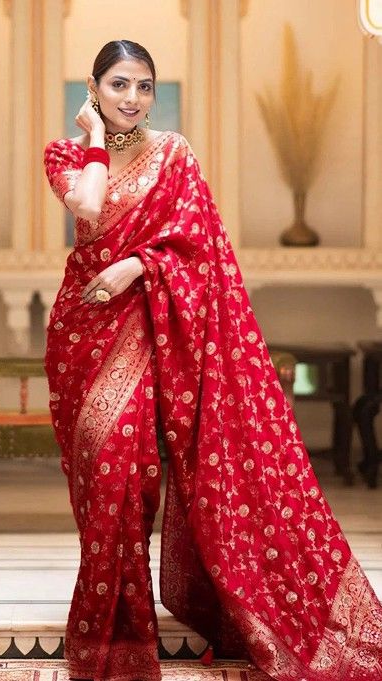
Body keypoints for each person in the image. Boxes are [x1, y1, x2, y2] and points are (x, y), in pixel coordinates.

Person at [43, 39, 382, 681]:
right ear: (94, 88)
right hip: (83, 330)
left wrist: (138, 266)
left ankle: (124, 643)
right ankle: (111, 630)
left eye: (144, 86)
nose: (133, 98)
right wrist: (95, 138)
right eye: (118, 84)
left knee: (126, 477)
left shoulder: (175, 154)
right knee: (98, 480)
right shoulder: (65, 153)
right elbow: (86, 205)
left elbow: (199, 249)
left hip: (151, 322)